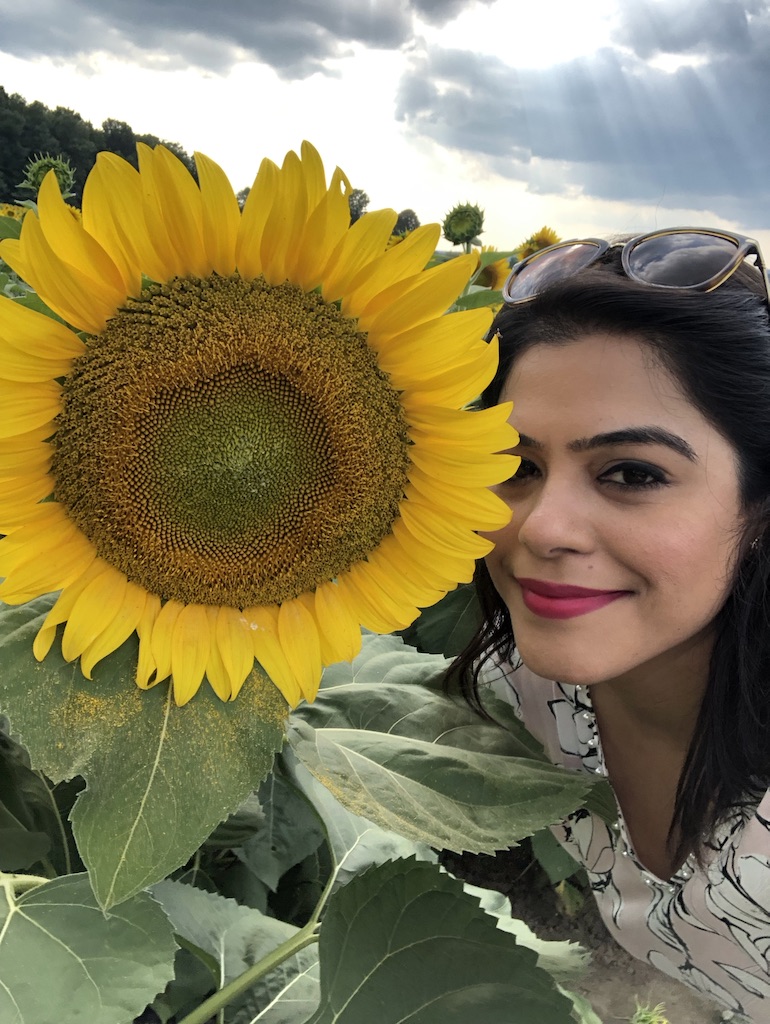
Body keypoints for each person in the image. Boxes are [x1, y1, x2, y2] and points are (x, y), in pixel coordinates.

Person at [453, 229, 770, 1021]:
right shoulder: (522, 698)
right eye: (517, 467)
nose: (542, 528)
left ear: (759, 511)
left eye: (631, 473)